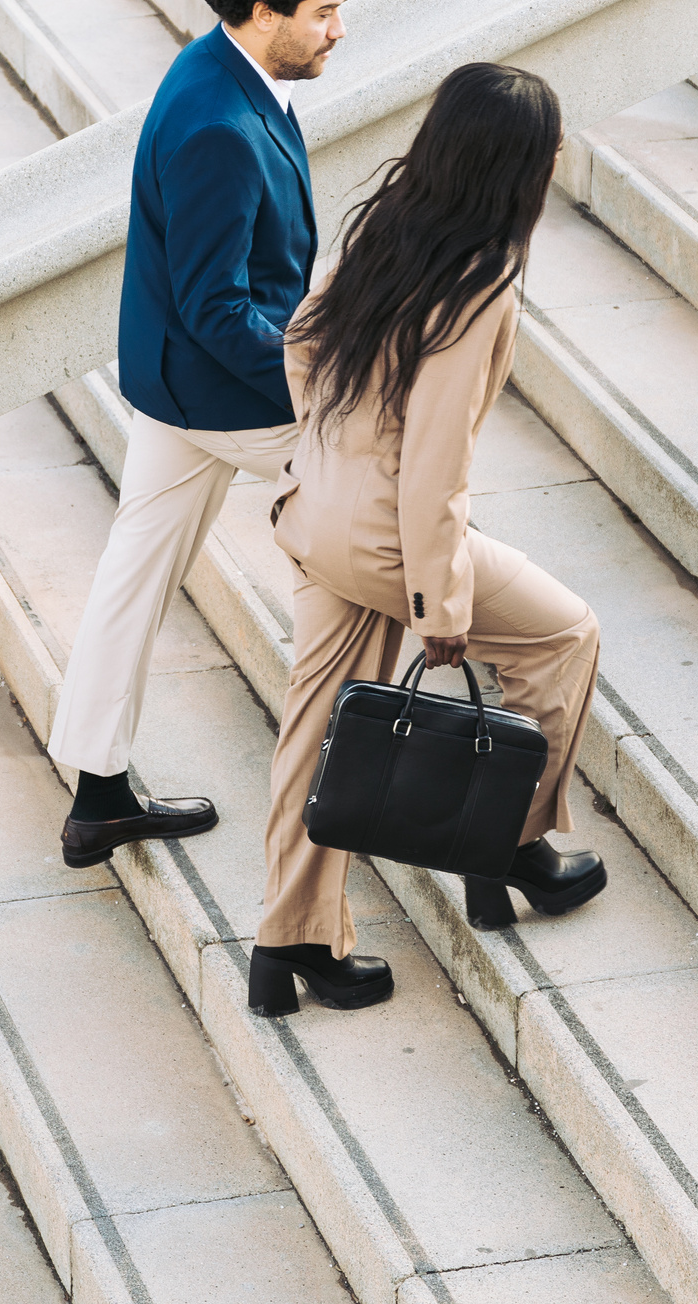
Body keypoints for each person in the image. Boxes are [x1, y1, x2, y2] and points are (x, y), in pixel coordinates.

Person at [247, 62, 606, 1017]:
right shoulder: (482, 279)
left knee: (313, 728)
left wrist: (332, 447)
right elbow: (436, 466)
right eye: (549, 144)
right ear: (514, 166)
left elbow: (301, 336)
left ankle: (288, 946)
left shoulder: (390, 223)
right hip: (388, 543)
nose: (560, 153)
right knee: (564, 634)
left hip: (317, 513)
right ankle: (511, 844)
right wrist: (439, 606)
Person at [49, 0, 354, 868]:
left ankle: (96, 794)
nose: (338, 30)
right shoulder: (220, 125)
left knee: (132, 575)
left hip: (176, 387)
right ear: (265, 12)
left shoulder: (222, 66)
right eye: (323, 13)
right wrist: (322, 382)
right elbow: (219, 309)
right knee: (389, 507)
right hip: (224, 392)